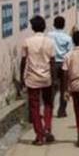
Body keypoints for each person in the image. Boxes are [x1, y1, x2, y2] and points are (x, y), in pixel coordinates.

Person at [21, 15, 57, 145]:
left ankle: (39, 135)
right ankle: (47, 128)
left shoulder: (27, 42)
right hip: (46, 77)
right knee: (48, 104)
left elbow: (23, 61)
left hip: (32, 79)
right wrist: (54, 79)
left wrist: (21, 78)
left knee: (34, 108)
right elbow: (52, 62)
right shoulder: (50, 42)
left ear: (32, 28)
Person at [47, 15, 73, 118]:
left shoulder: (49, 35)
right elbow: (70, 53)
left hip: (52, 63)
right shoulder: (67, 38)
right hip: (64, 64)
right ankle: (62, 110)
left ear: (54, 24)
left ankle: (49, 108)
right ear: (63, 25)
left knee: (52, 87)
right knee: (64, 88)